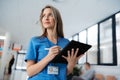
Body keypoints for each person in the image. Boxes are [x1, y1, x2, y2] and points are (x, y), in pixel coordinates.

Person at [25, 5, 83, 80]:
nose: (46, 18)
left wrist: (71, 64)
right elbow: (29, 72)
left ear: (57, 19)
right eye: (43, 16)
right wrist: (48, 57)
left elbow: (64, 73)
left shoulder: (66, 42)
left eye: (50, 15)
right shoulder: (35, 41)